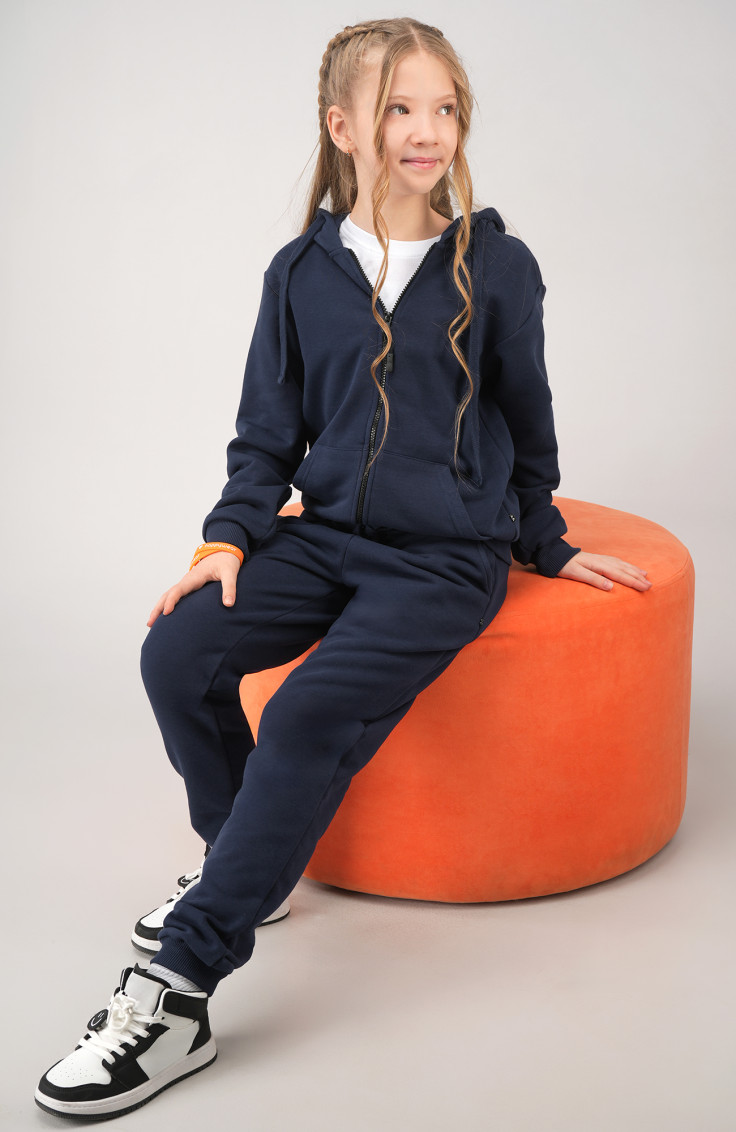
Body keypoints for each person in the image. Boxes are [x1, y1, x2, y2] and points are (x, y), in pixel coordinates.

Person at [35, 16, 652, 1121]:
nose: (428, 131)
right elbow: (266, 435)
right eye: (399, 108)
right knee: (177, 653)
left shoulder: (495, 266)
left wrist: (544, 538)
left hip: (445, 560)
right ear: (342, 126)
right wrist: (227, 538)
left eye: (445, 108)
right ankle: (243, 863)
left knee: (306, 713)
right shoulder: (298, 273)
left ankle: (178, 989)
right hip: (322, 535)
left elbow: (529, 412)